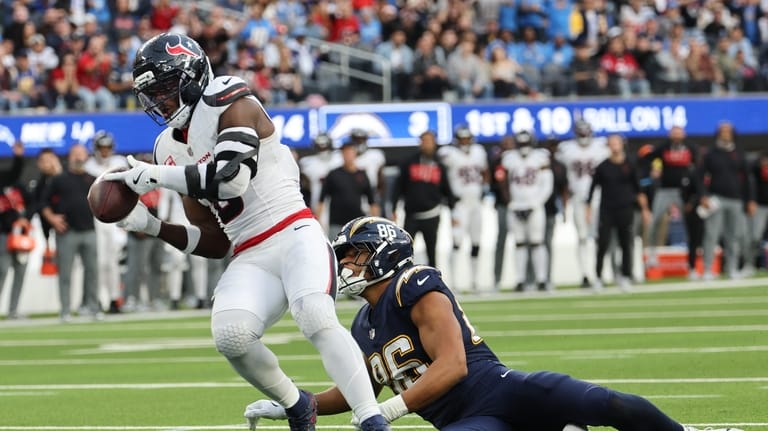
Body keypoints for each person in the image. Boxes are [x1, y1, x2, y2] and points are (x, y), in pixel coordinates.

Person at [104, 33, 390, 431]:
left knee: (314, 313)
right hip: (249, 253)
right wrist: (151, 225)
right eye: (152, 94)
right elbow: (215, 240)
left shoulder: (228, 98)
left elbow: (230, 180)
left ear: (191, 76)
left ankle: (372, 419)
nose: (160, 102)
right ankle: (297, 404)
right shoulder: (167, 147)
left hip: (294, 231)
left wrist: (154, 177)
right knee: (231, 335)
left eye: (166, 88)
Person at [244, 216, 742, 431]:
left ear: (383, 253)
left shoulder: (413, 283)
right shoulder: (363, 323)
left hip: (499, 390)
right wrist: (300, 401)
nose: (346, 264)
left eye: (353, 254)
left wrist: (392, 410)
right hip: (463, 421)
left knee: (607, 403)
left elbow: (454, 365)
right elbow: (359, 389)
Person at [42, 144, 101, 322]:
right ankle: (65, 310)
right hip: (67, 232)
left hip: (90, 230)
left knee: (92, 272)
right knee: (65, 274)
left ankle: (92, 307)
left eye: (81, 154)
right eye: (75, 154)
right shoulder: (59, 179)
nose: (78, 158)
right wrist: (52, 218)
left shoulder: (93, 179)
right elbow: (42, 202)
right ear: (70, 156)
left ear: (86, 156)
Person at [586, 135, 652, 291]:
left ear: (622, 145)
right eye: (612, 143)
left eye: (617, 143)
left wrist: (645, 210)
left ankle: (626, 276)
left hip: (625, 209)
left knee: (626, 244)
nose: (615, 146)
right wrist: (588, 210)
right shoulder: (602, 167)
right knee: (603, 244)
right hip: (607, 210)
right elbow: (592, 190)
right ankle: (598, 277)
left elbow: (639, 190)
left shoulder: (630, 164)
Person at [555, 119, 609, 288]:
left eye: (586, 132)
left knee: (600, 236)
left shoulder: (601, 148)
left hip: (598, 197)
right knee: (583, 237)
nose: (584, 135)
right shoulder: (567, 149)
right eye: (581, 132)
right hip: (578, 198)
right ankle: (585, 273)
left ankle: (599, 272)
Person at [697, 122, 755, 280]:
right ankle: (708, 269)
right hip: (716, 199)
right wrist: (703, 195)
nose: (725, 134)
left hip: (736, 200)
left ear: (732, 133)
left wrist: (750, 199)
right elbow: (700, 177)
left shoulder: (738, 153)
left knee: (734, 236)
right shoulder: (710, 153)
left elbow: (747, 179)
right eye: (722, 131)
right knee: (711, 234)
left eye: (728, 131)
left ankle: (732, 268)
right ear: (718, 133)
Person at [390, 130, 455, 268]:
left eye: (430, 141)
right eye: (424, 141)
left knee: (432, 251)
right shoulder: (409, 162)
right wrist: (394, 208)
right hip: (411, 215)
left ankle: (433, 282)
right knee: (405, 250)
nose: (427, 144)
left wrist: (453, 211)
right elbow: (398, 187)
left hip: (432, 214)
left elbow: (447, 190)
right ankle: (403, 281)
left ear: (435, 143)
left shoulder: (440, 165)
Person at [499, 130, 553, 292]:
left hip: (534, 206)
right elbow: (502, 182)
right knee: (519, 244)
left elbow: (547, 184)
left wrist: (535, 203)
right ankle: (520, 280)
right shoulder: (509, 158)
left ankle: (542, 279)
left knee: (537, 242)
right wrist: (511, 203)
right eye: (521, 144)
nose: (523, 147)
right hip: (516, 206)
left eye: (526, 143)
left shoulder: (540, 157)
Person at [437, 126, 489, 291]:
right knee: (457, 243)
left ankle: (474, 281)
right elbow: (441, 173)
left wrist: (485, 187)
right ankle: (453, 282)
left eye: (467, 139)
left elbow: (485, 172)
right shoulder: (449, 154)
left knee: (476, 243)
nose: (465, 142)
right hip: (459, 204)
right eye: (462, 139)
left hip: (476, 203)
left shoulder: (479, 152)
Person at [84, 130, 129, 313]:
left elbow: (127, 192)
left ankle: (114, 299)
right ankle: (101, 299)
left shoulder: (120, 163)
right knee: (100, 262)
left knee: (113, 262)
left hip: (116, 217)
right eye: (102, 147)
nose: (105, 151)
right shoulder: (89, 167)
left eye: (107, 147)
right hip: (96, 219)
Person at [317, 140, 379, 240]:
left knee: (358, 250)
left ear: (355, 154)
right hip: (336, 223)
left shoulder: (362, 175)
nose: (348, 155)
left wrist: (376, 222)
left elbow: (372, 201)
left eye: (350, 152)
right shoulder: (334, 174)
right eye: (345, 152)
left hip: (356, 222)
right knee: (336, 251)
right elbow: (321, 200)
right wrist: (318, 221)